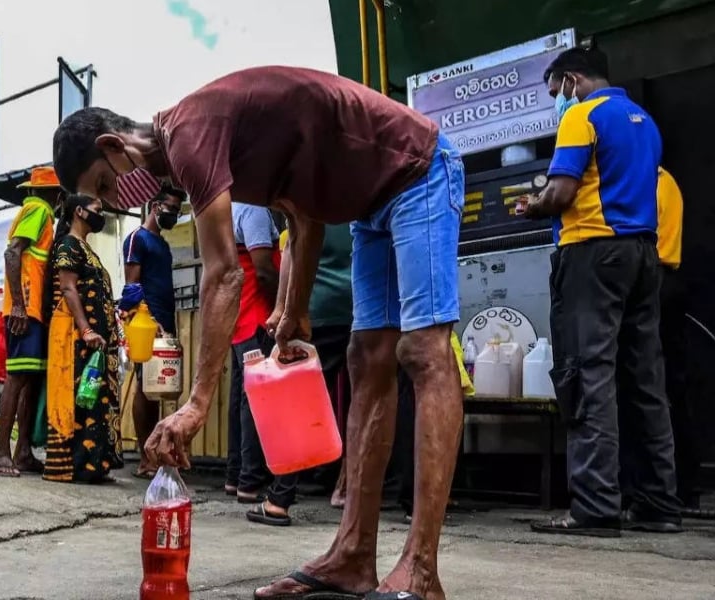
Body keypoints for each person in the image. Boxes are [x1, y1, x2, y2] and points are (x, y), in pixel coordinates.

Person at [53, 66, 465, 600]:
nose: (117, 200)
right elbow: (305, 218)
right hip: (368, 207)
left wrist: (197, 403)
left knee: (424, 352)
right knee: (367, 357)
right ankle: (354, 555)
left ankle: (422, 571)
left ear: (115, 145)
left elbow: (224, 275)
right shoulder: (217, 146)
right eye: (106, 199)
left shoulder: (188, 136)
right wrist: (293, 310)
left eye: (107, 185)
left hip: (418, 169)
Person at [522, 48, 682, 536]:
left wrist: (535, 203)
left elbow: (562, 193)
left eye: (556, 93)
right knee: (644, 379)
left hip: (592, 252)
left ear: (572, 80)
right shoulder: (644, 121)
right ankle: (657, 504)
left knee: (587, 373)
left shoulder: (584, 116)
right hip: (642, 255)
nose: (557, 103)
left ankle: (594, 507)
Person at [43, 194, 124, 483]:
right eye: (97, 210)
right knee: (82, 397)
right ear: (79, 211)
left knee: (95, 396)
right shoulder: (68, 244)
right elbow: (67, 288)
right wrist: (86, 329)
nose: (101, 214)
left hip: (94, 339)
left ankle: (96, 464)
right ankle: (79, 466)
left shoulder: (86, 247)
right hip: (77, 338)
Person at [0, 166, 60, 478]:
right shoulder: (38, 209)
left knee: (30, 380)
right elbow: (12, 254)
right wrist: (18, 304)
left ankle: (23, 451)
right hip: (25, 308)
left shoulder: (41, 213)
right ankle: (3, 453)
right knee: (17, 378)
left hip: (33, 309)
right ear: (54, 194)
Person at [223, 203, 291, 522]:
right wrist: (286, 306)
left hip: (241, 319)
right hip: (258, 319)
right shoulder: (254, 210)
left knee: (242, 398)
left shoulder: (228, 208)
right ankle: (250, 480)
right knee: (257, 401)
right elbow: (263, 269)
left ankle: (236, 476)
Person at [279, 225, 355, 508]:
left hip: (318, 311)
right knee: (358, 403)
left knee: (299, 401)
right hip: (362, 309)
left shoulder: (312, 198)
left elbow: (293, 250)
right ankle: (346, 488)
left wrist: (285, 310)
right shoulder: (366, 195)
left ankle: (280, 496)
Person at [121, 185, 184, 478]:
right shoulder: (137, 238)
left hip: (165, 320)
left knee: (157, 388)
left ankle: (154, 453)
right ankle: (145, 458)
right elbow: (132, 288)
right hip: (146, 322)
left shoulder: (163, 244)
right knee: (145, 386)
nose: (174, 214)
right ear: (156, 206)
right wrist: (149, 318)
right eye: (171, 207)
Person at [655, 167, 696, 508]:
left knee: (652, 390)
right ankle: (684, 486)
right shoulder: (667, 179)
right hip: (668, 281)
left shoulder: (645, 180)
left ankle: (668, 487)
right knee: (673, 388)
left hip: (652, 283)